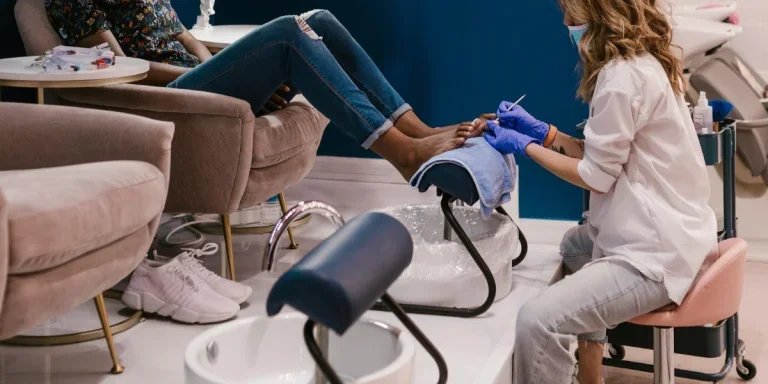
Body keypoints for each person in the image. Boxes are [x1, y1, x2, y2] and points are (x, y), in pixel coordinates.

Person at [480, 0, 717, 383]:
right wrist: (544, 132)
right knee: (577, 246)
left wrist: (524, 146)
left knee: (539, 320)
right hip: (676, 232)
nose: (566, 23)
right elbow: (606, 154)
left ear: (596, 15)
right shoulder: (641, 63)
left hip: (655, 256)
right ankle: (590, 374)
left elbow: (595, 176)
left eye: (570, 15)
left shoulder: (621, 78)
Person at [45, 2, 483, 181]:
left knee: (321, 20)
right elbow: (120, 68)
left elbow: (187, 39)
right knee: (288, 32)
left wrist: (225, 71)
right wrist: (219, 76)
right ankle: (401, 153)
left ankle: (417, 130)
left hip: (201, 83)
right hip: (168, 98)